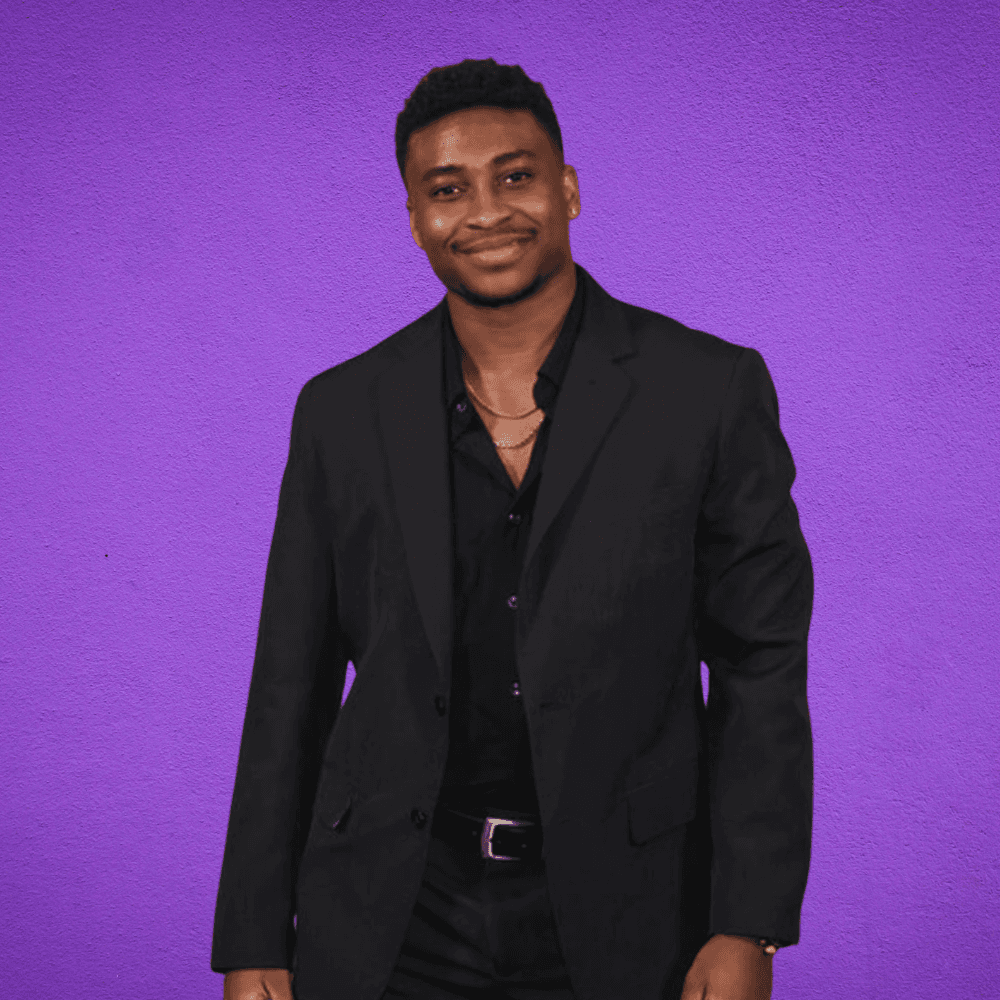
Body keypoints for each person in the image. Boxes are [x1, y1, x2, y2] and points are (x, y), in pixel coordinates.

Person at [211, 58, 814, 1000]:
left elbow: (761, 666)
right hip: (392, 907)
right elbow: (289, 683)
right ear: (414, 219)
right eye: (446, 190)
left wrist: (750, 924)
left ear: (567, 188)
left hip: (630, 905)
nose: (485, 211)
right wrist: (252, 936)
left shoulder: (708, 390)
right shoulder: (340, 411)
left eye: (516, 175)